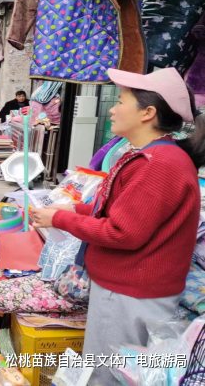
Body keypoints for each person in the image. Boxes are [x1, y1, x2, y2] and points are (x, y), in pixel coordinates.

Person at [31, 68, 204, 386]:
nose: (112, 107)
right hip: (128, 286)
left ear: (148, 113)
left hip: (130, 290)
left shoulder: (159, 164)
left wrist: (60, 219)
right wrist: (74, 208)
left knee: (107, 374)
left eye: (122, 100)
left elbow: (122, 232)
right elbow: (121, 208)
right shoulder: (150, 156)